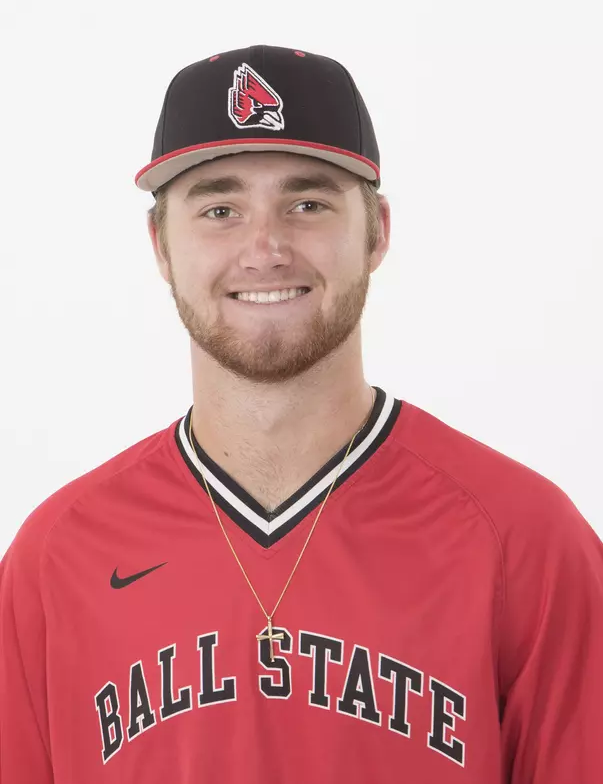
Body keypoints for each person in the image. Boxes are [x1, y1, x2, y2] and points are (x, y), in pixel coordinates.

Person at [1, 44, 602, 784]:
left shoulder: (524, 540)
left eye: (307, 203)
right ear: (160, 244)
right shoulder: (56, 556)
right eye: (219, 208)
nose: (265, 248)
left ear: (376, 231)